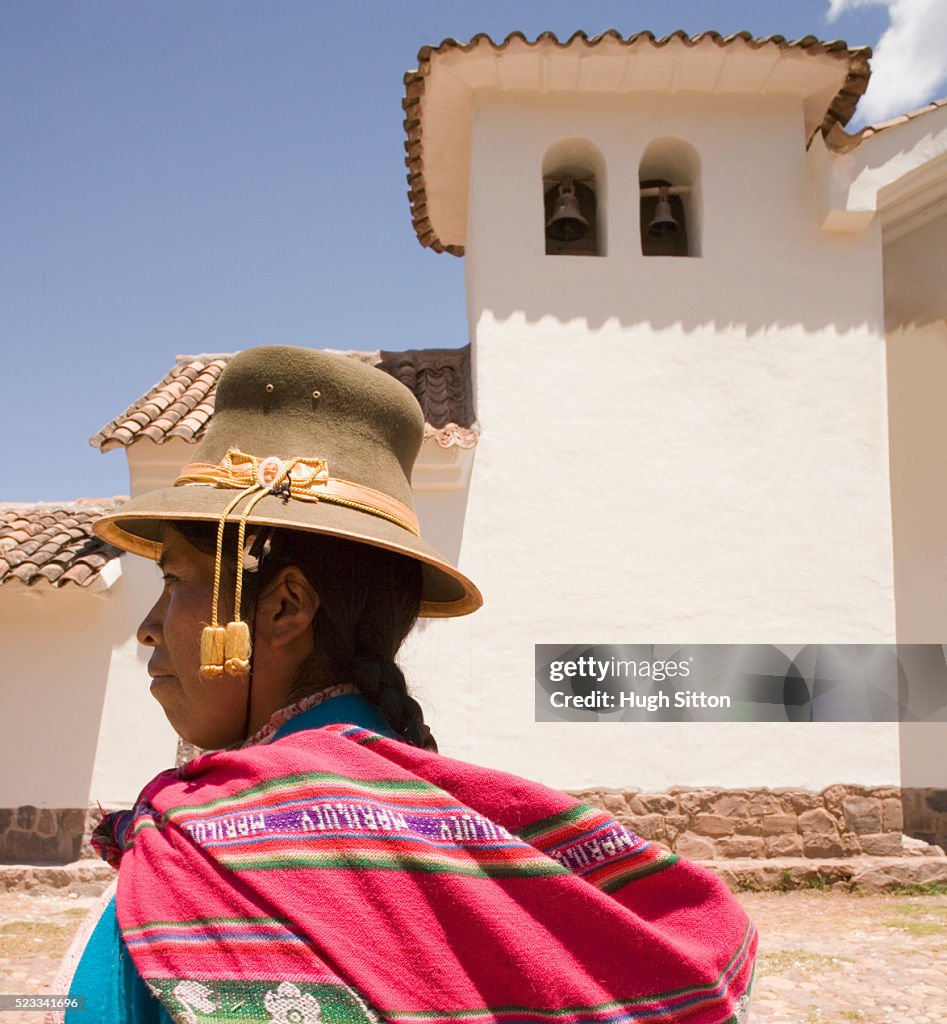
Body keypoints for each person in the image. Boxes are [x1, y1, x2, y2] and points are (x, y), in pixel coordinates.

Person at [54, 345, 756, 1024]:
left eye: (173, 579)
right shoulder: (505, 856)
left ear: (284, 608)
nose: (148, 626)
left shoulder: (193, 863)